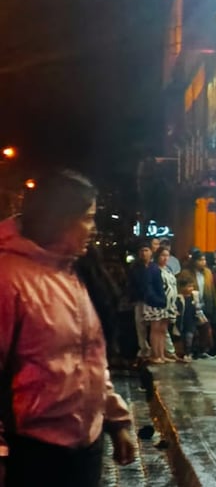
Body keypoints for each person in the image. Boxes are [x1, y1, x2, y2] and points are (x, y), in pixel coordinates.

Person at [0, 169, 135, 486]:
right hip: (32, 454)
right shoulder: (8, 279)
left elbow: (91, 360)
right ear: (59, 220)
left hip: (85, 449)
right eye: (87, 218)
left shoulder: (75, 274)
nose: (93, 228)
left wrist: (116, 422)